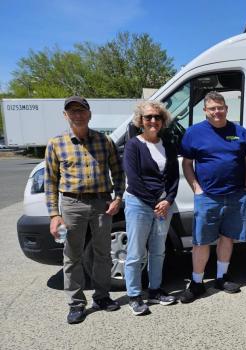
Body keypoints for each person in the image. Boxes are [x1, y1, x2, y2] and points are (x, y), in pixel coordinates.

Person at [44, 96, 125, 324]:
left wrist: (118, 197)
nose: (77, 115)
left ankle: (102, 297)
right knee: (72, 255)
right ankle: (76, 303)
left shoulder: (104, 141)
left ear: (89, 114)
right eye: (72, 112)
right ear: (65, 115)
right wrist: (54, 214)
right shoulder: (56, 143)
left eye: (81, 110)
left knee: (102, 253)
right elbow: (50, 182)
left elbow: (118, 172)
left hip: (102, 204)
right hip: (72, 205)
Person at [179, 91, 246, 302]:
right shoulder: (194, 133)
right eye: (212, 108)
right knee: (201, 241)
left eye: (220, 107)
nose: (217, 112)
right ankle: (196, 282)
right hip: (207, 197)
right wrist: (196, 188)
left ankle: (222, 277)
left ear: (226, 109)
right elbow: (187, 164)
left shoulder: (240, 132)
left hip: (235, 195)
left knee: (227, 237)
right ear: (205, 111)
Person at [122, 101, 180, 315]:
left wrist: (169, 200)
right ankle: (134, 295)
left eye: (157, 117)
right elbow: (134, 180)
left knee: (158, 251)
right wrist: (156, 203)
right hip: (139, 204)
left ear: (163, 120)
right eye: (148, 117)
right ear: (140, 121)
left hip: (164, 206)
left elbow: (173, 177)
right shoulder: (133, 145)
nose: (153, 121)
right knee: (136, 253)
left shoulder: (168, 144)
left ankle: (155, 290)